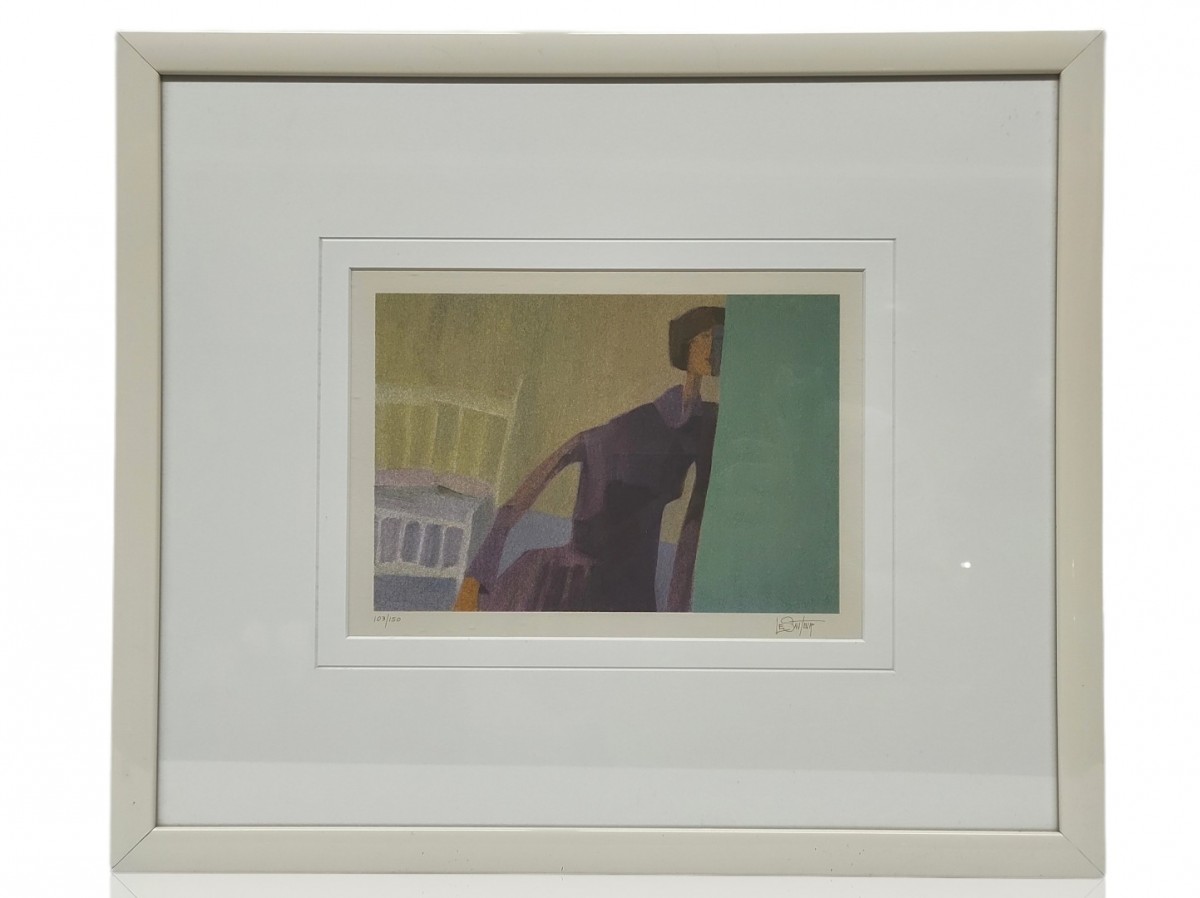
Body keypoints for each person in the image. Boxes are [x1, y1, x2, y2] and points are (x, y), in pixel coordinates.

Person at [454, 306, 723, 613]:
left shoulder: (707, 424)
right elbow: (573, 450)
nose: (712, 348)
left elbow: (693, 527)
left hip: (628, 581)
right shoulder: (635, 426)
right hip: (575, 573)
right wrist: (479, 572)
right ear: (687, 344)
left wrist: (678, 613)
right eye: (704, 337)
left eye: (719, 340)